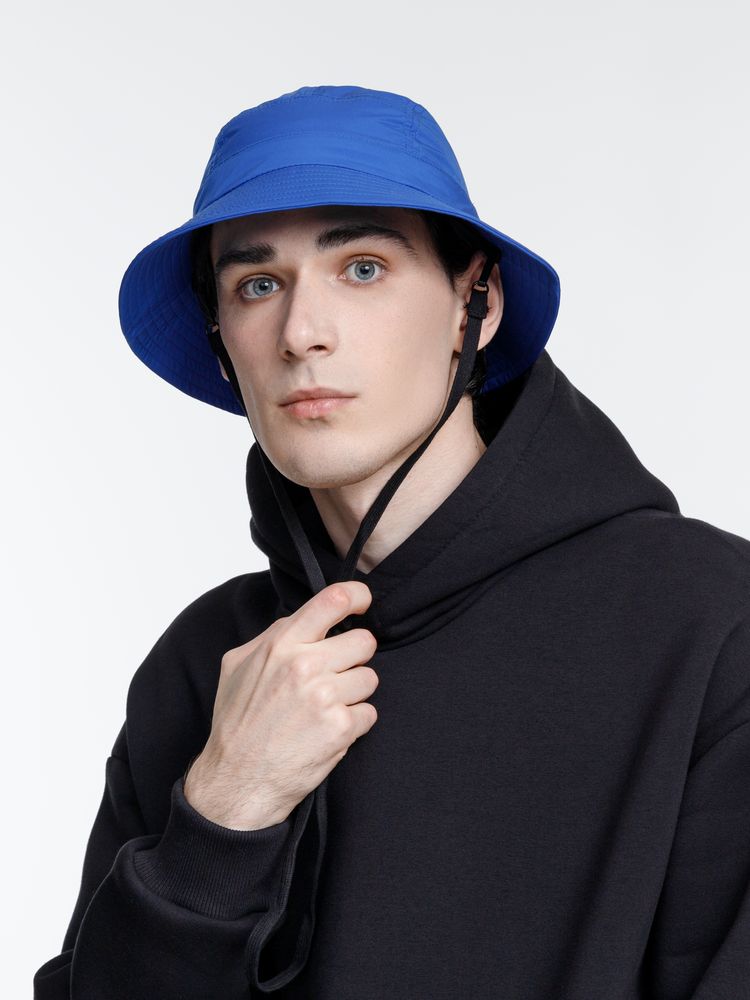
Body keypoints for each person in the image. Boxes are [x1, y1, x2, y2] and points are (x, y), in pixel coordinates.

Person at [33, 85, 750, 999]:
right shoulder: (207, 663)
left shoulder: (709, 625)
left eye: (363, 268)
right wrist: (223, 813)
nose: (302, 334)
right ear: (222, 342)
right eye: (257, 285)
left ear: (475, 303)